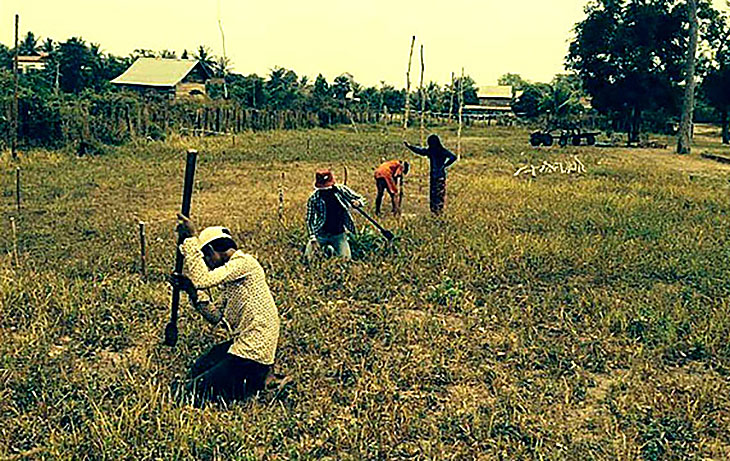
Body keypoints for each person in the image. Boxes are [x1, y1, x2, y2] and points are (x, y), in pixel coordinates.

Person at [169, 215, 281, 407]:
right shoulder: (232, 279)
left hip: (253, 353)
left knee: (187, 395)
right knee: (199, 368)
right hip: (244, 346)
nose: (207, 263)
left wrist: (190, 238)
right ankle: (253, 382)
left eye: (206, 258)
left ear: (211, 250)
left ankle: (260, 383)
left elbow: (202, 279)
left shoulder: (245, 263)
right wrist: (193, 292)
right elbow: (216, 317)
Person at [305, 169, 366, 262]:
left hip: (339, 234)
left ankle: (331, 250)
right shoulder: (314, 198)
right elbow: (310, 218)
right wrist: (312, 237)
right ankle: (327, 250)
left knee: (346, 260)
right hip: (321, 234)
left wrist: (358, 202)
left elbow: (360, 199)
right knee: (308, 259)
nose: (326, 189)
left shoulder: (341, 191)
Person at [403, 134, 457, 215]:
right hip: (440, 175)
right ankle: (438, 211)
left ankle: (434, 211)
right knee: (439, 194)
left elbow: (420, 151)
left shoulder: (431, 151)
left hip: (434, 176)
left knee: (433, 194)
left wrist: (409, 146)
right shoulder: (442, 150)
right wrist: (445, 165)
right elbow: (453, 157)